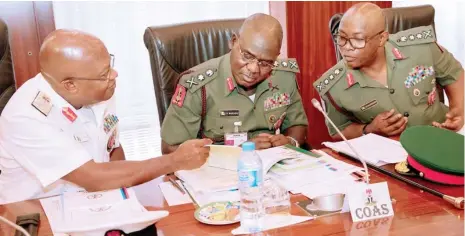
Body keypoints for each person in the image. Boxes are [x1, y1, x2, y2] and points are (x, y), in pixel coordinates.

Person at [0, 29, 211, 204]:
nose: (114, 75)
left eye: (109, 65)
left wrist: (124, 200)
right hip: (38, 214)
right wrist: (174, 161)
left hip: (97, 202)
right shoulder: (27, 115)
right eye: (104, 74)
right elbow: (93, 178)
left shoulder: (98, 90)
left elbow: (112, 148)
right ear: (70, 85)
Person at [313, 3, 464, 140]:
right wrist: (369, 129)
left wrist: (458, 111)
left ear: (381, 38)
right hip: (392, 155)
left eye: (358, 40)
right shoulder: (332, 86)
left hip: (441, 138)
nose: (346, 47)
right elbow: (339, 132)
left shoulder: (421, 48)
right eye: (341, 38)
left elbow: (454, 75)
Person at [161, 13, 308, 154]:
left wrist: (290, 142)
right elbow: (170, 149)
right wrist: (237, 153)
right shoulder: (199, 86)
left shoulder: (283, 76)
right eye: (247, 56)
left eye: (265, 63)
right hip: (216, 172)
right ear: (233, 42)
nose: (253, 69)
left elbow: (297, 124)